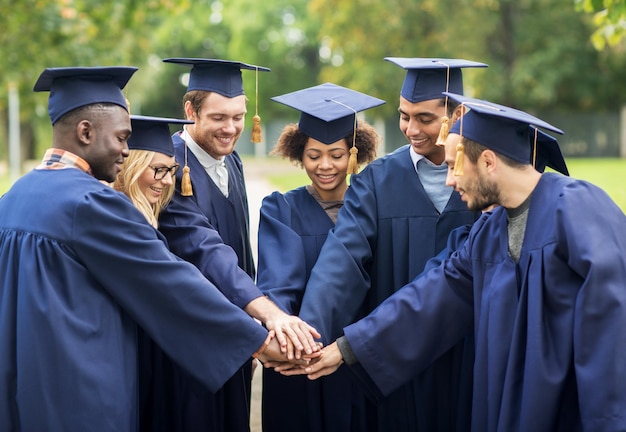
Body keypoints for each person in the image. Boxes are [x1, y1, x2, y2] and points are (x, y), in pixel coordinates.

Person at [291, 94, 626, 431]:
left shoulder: (577, 208)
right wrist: (346, 350)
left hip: (568, 409)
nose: (449, 179)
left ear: (489, 162)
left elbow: (612, 327)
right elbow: (430, 299)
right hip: (506, 406)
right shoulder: (488, 232)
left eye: (453, 165)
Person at [0, 66, 299, 432]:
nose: (127, 149)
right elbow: (169, 281)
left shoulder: (13, 197)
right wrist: (255, 340)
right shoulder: (91, 204)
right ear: (85, 132)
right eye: (122, 137)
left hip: (22, 389)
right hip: (80, 392)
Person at [297, 58, 487, 431]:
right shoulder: (376, 181)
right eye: (404, 115)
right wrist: (309, 331)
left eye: (425, 118)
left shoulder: (485, 178)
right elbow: (343, 258)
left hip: (471, 347)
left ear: (457, 113)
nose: (411, 129)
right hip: (396, 352)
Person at [155, 58, 318, 432]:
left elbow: (241, 253)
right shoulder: (168, 168)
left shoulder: (232, 161)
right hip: (191, 342)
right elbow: (205, 248)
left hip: (233, 338)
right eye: (218, 117)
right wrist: (269, 313)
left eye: (238, 116)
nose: (231, 129)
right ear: (189, 111)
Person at [257, 83, 383, 432]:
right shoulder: (281, 209)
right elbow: (276, 282)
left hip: (359, 358)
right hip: (298, 362)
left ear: (354, 153)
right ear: (300, 154)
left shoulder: (377, 208)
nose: (325, 166)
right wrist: (289, 340)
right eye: (313, 156)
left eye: (336, 154)